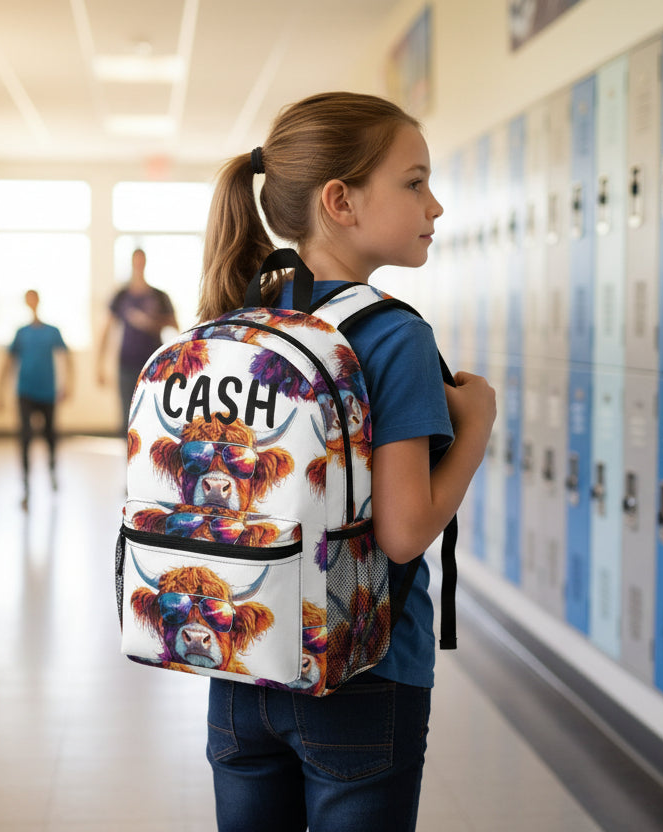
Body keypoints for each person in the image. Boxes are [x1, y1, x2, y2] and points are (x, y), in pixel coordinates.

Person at [198, 92, 496, 831]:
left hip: (242, 660)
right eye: (414, 181)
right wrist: (479, 427)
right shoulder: (393, 335)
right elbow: (402, 533)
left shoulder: (241, 318)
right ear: (341, 201)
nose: (436, 205)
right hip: (363, 673)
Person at [0, 289, 74, 510]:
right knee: (25, 437)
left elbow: (67, 358)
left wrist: (68, 384)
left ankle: (52, 472)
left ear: (38, 300)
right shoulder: (21, 333)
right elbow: (8, 362)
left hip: (47, 392)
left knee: (50, 436)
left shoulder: (52, 332)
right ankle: (26, 486)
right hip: (25, 392)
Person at [97, 248, 178, 427]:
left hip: (154, 365)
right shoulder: (121, 295)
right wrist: (99, 364)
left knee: (152, 415)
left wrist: (152, 323)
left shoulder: (159, 296)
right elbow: (105, 329)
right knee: (127, 417)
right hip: (126, 364)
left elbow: (175, 327)